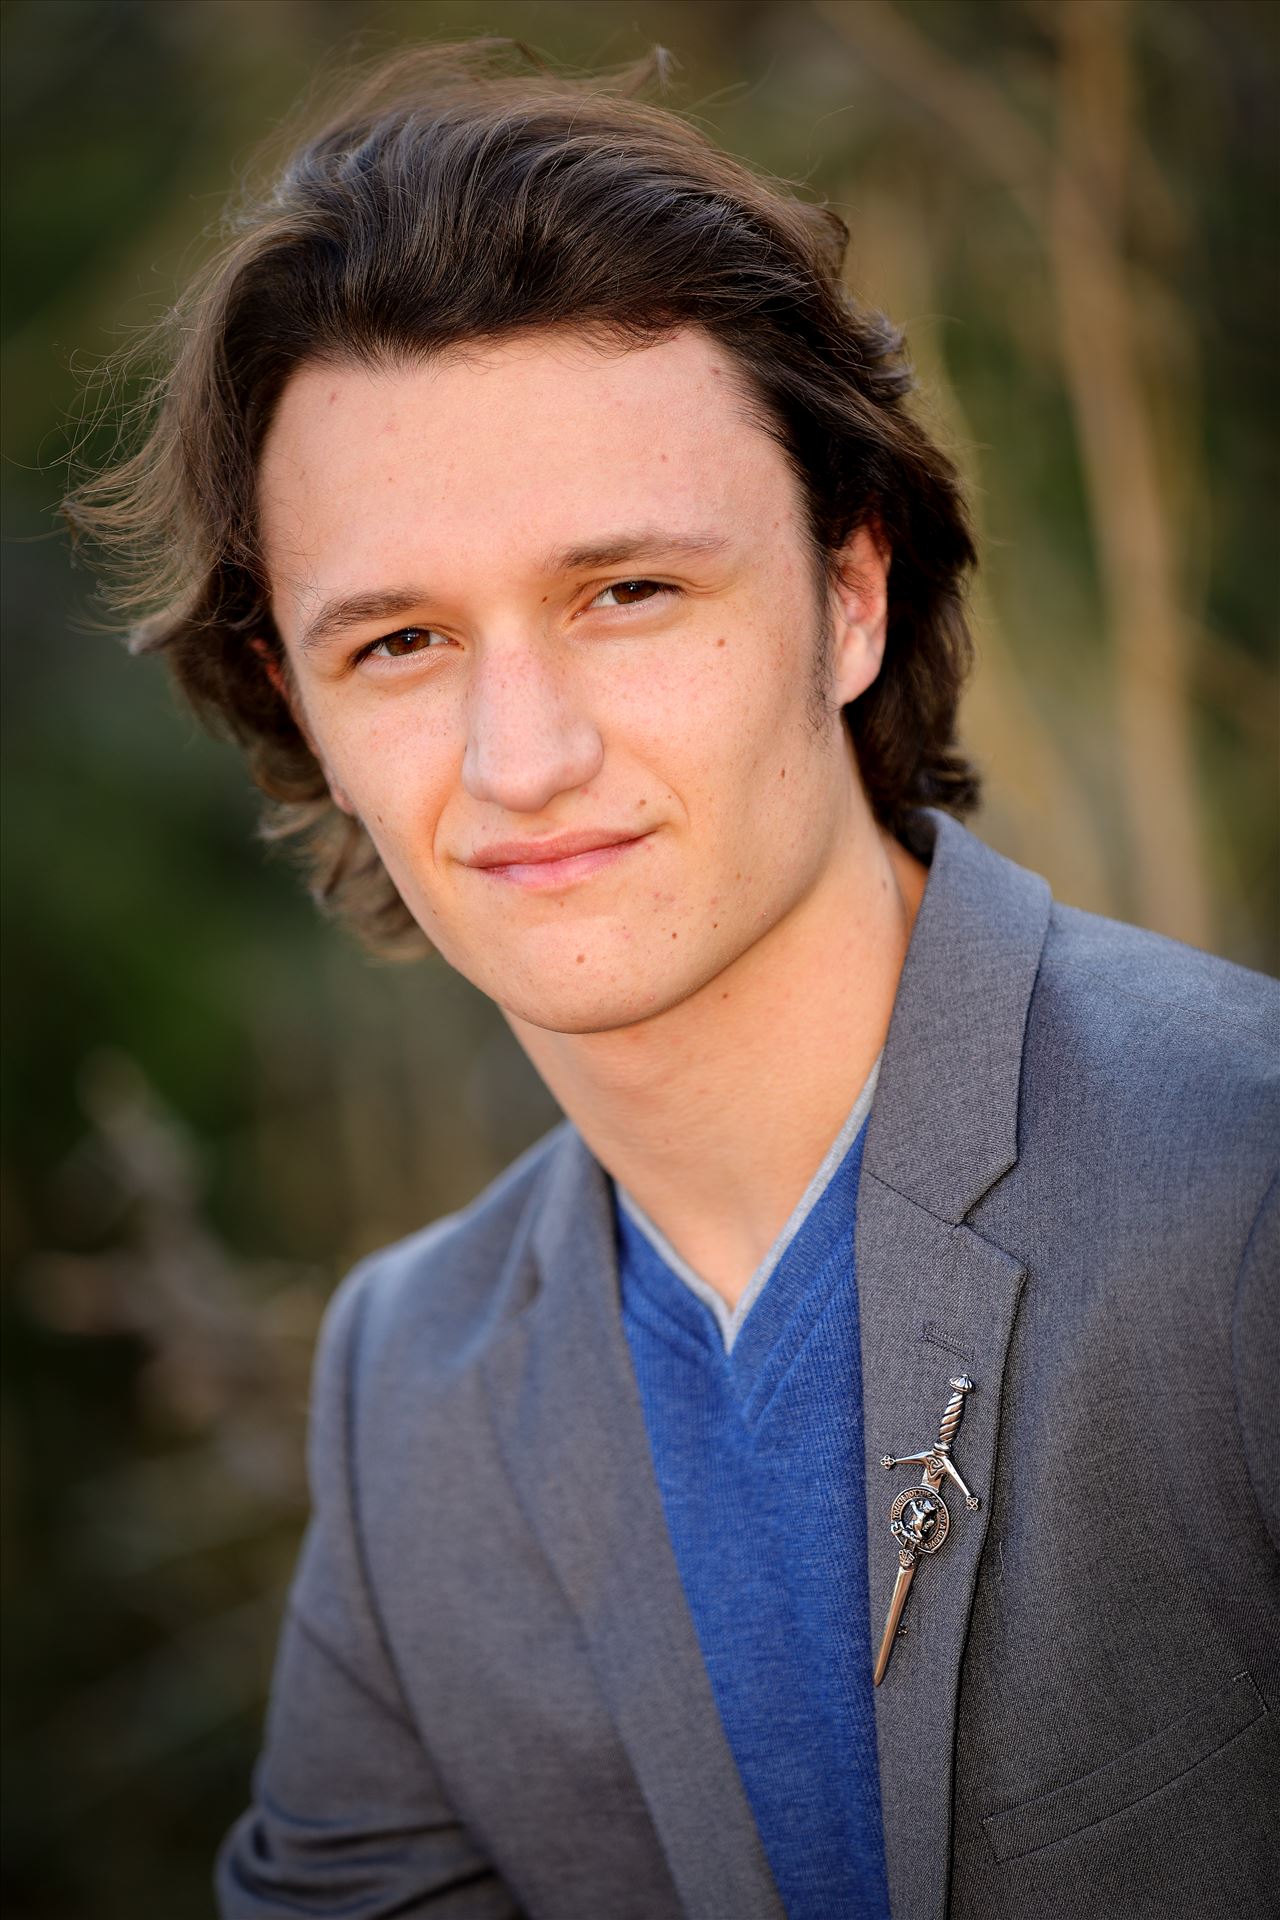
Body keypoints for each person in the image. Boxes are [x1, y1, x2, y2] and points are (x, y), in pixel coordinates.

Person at [67, 43, 1278, 1920]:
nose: (522, 753)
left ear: (851, 595)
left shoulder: (1246, 1186)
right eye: (398, 640)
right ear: (295, 702)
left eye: (628, 593)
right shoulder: (414, 1391)